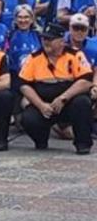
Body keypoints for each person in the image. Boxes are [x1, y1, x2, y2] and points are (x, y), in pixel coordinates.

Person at [19, 23, 93, 154]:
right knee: (28, 117)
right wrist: (41, 105)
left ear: (61, 41)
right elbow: (24, 85)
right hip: (44, 103)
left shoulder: (75, 55)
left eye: (50, 39)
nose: (46, 42)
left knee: (82, 103)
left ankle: (83, 143)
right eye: (44, 39)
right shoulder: (34, 57)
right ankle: (41, 140)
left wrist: (63, 98)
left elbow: (86, 81)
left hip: (68, 101)